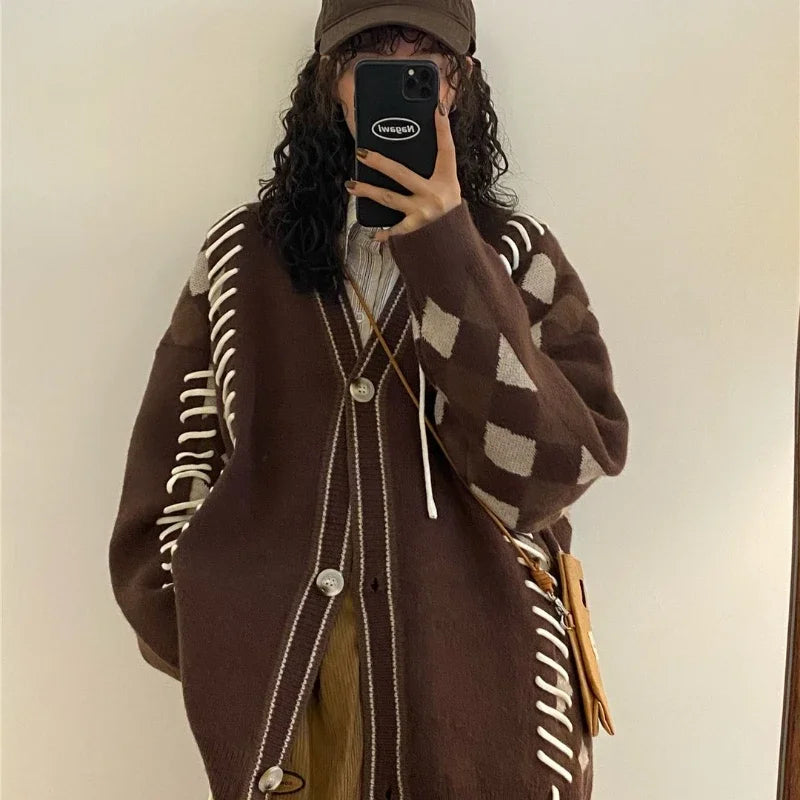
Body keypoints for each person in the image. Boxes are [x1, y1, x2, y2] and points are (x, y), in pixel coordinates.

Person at [108, 1, 630, 799]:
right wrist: (217, 638)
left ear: (456, 86)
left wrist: (447, 248)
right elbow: (171, 474)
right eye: (370, 58)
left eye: (422, 62)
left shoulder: (517, 257)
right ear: (332, 83)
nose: (396, 78)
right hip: (294, 706)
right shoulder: (239, 259)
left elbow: (547, 477)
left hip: (483, 698)